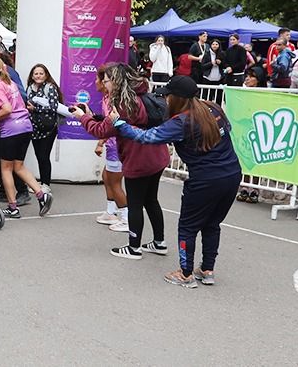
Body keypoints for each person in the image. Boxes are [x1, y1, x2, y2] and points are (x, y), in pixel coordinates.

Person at [110, 75, 242, 287]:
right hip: (232, 174)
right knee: (212, 224)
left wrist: (119, 123)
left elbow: (147, 137)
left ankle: (185, 274)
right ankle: (207, 270)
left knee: (188, 227)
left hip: (205, 181)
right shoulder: (213, 108)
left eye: (168, 96)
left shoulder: (182, 122)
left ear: (177, 98)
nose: (166, 100)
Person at [76, 63, 171, 260]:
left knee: (135, 203)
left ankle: (134, 247)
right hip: (158, 155)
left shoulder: (123, 104)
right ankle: (159, 242)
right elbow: (111, 124)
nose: (104, 83)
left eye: (107, 80)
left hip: (139, 159)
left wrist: (82, 117)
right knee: (151, 199)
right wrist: (93, 116)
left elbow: (101, 131)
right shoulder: (141, 96)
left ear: (117, 81)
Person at [0, 57, 52, 219]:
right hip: (25, 126)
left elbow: (6, 109)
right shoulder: (10, 83)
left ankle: (13, 207)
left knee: (5, 168)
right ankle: (42, 195)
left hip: (11, 129)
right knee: (19, 166)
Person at [90, 63, 129, 231]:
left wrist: (100, 142)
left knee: (114, 182)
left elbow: (111, 125)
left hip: (117, 146)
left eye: (101, 80)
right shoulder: (107, 99)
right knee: (107, 176)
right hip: (113, 145)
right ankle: (111, 212)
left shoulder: (114, 100)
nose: (97, 83)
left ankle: (127, 219)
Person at [25, 64, 61, 191]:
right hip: (34, 129)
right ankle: (42, 182)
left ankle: (46, 184)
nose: (38, 76)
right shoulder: (29, 88)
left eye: (41, 73)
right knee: (39, 156)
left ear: (46, 75)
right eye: (36, 73)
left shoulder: (50, 88)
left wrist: (36, 108)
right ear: (32, 76)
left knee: (44, 156)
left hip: (48, 128)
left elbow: (53, 106)